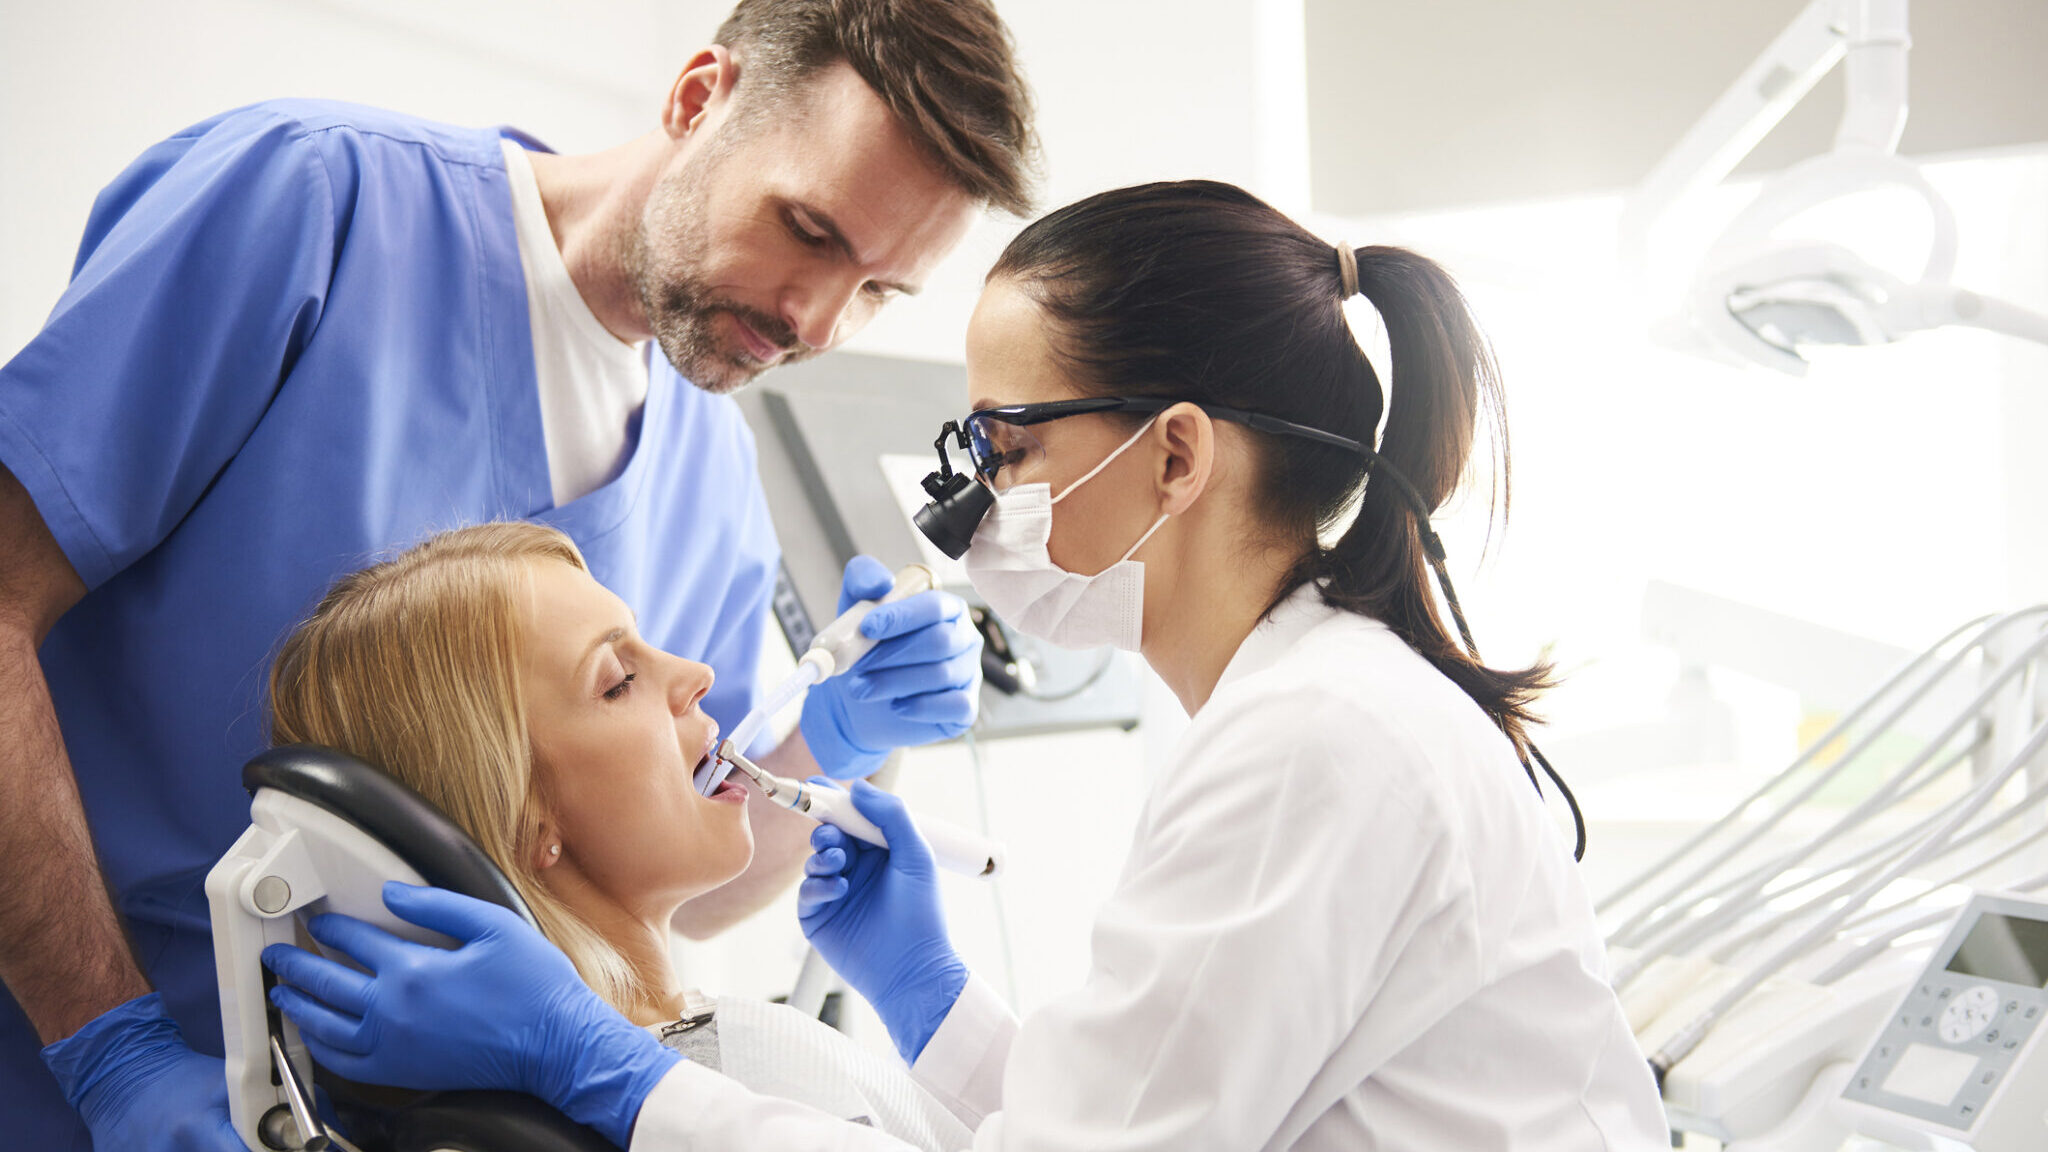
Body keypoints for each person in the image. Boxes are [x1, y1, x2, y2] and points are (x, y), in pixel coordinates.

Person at [263, 179, 1671, 1150]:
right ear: (526, 814)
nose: (967, 498)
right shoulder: (1312, 714)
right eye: (618, 679)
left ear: (1175, 455)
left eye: (1004, 446)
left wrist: (607, 1070)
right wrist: (929, 993)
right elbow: (1111, 1119)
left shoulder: (1319, 743)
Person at [0, 0, 1035, 1146]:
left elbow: (675, 879)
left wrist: (822, 745)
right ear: (699, 99)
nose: (817, 320)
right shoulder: (316, 209)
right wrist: (106, 1046)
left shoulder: (710, 471)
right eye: (807, 228)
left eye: (882, 291)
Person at [260, 521, 970, 1149]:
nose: (698, 675)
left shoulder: (678, 1075)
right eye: (618, 680)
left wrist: (931, 1002)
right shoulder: (646, 1096)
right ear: (524, 822)